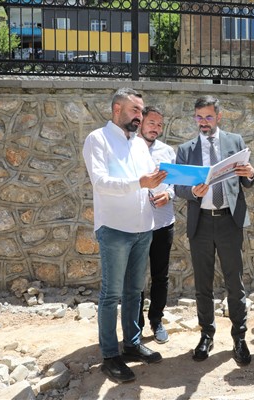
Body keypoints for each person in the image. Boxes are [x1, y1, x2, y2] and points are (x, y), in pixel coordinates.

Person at [82, 88, 167, 383]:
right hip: (115, 230)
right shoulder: (97, 139)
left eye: (141, 111)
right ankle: (110, 356)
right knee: (111, 295)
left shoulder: (139, 144)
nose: (139, 116)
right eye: (135, 110)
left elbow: (152, 181)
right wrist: (139, 183)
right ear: (117, 109)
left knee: (134, 291)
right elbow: (101, 182)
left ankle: (131, 344)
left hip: (143, 228)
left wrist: (166, 190)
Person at [174, 95, 254, 366]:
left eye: (208, 117)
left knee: (235, 283)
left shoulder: (235, 141)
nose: (203, 122)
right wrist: (193, 192)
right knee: (203, 284)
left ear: (219, 117)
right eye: (199, 117)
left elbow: (247, 182)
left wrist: (250, 173)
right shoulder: (186, 149)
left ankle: (239, 337)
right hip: (201, 223)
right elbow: (178, 188)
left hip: (229, 221)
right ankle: (206, 335)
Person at [137, 105, 175, 344]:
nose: (156, 128)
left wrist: (169, 194)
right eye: (151, 123)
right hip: (137, 224)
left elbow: (176, 183)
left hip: (163, 223)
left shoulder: (168, 151)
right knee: (136, 278)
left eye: (159, 125)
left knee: (161, 276)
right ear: (141, 122)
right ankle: (136, 326)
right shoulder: (129, 149)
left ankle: (156, 320)